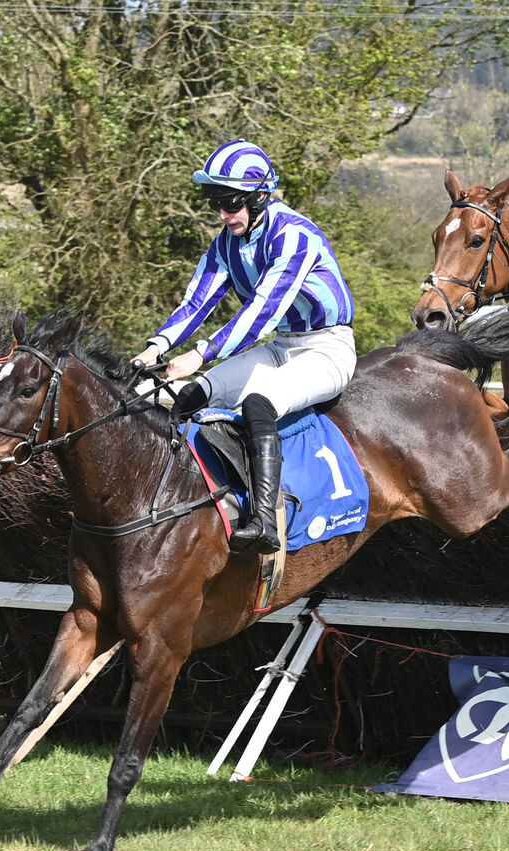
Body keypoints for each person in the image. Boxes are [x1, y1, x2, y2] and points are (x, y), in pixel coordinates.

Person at [133, 140, 357, 554]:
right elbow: (196, 303)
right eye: (216, 203)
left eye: (231, 202)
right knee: (191, 394)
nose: (223, 214)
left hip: (328, 349)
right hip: (281, 346)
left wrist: (201, 352)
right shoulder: (225, 244)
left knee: (258, 401)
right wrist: (154, 348)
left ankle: (266, 521)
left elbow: (262, 313)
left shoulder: (294, 236)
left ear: (259, 196)